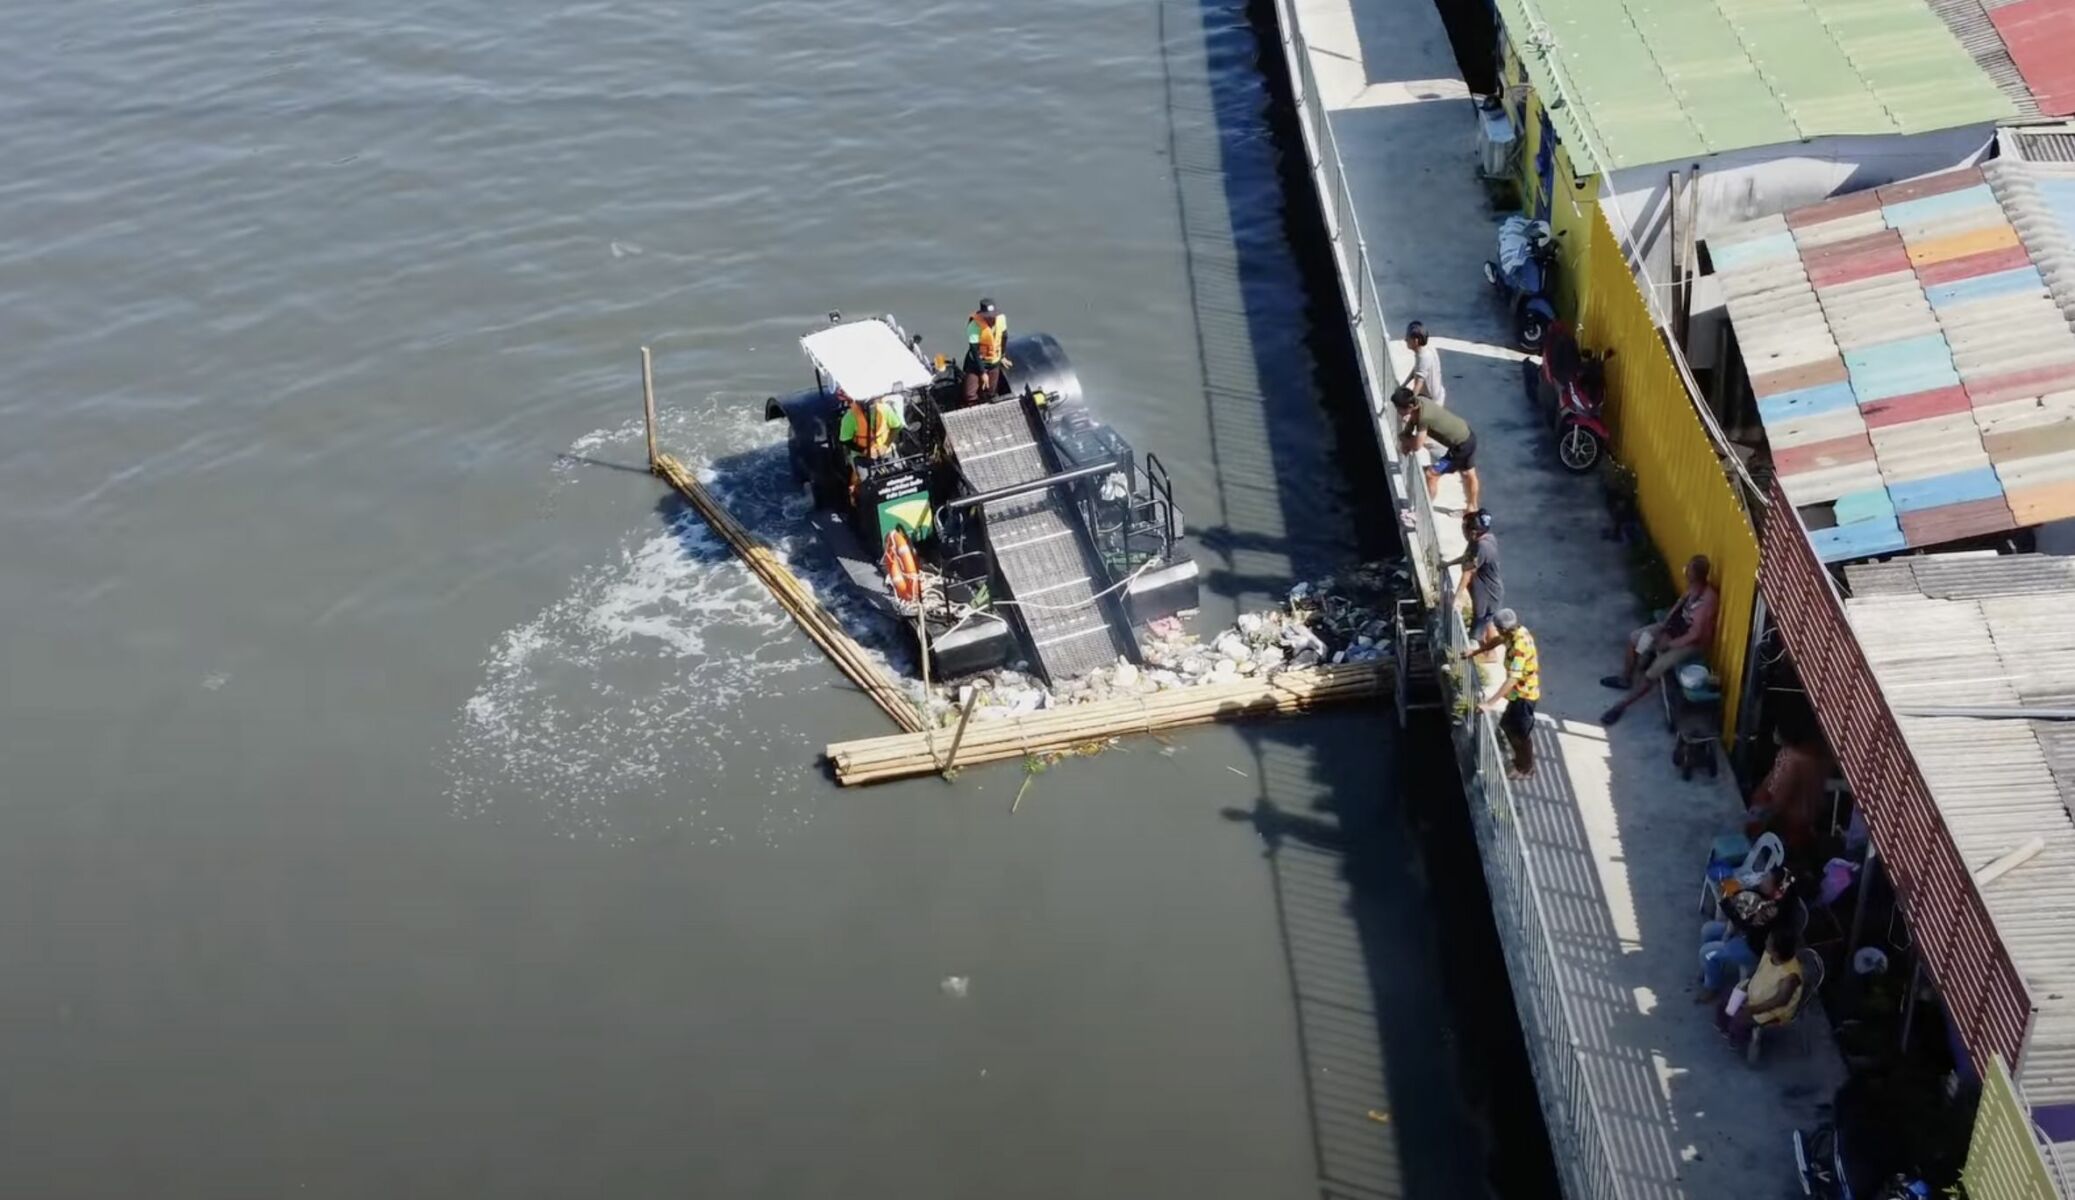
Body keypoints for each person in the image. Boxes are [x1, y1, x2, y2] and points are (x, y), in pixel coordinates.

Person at [1599, 554, 1717, 726]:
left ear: (1696, 575)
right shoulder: (1692, 588)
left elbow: (1695, 635)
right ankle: (1626, 678)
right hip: (1671, 631)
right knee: (1636, 640)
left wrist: (1669, 644)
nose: (1685, 572)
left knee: (1653, 672)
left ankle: (1620, 706)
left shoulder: (1707, 600)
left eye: (1688, 571)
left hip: (1689, 644)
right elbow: (1679, 605)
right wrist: (1664, 627)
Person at [1696, 867, 1794, 1004]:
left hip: (1752, 947)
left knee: (1706, 953)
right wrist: (1733, 892)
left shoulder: (1772, 911)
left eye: (1767, 880)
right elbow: (1742, 905)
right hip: (1744, 931)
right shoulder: (1765, 893)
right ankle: (1710, 970)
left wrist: (1726, 896)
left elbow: (1742, 920)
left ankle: (1712, 987)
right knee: (1708, 929)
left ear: (1777, 890)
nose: (1763, 880)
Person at [1463, 608, 1538, 778]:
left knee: (1521, 734)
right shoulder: (1514, 631)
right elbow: (1498, 640)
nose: (1496, 630)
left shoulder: (1520, 647)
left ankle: (1525, 768)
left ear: (1504, 628)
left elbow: (1512, 679)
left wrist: (1490, 703)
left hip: (1524, 696)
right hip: (1516, 695)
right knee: (1506, 725)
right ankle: (1521, 758)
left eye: (1497, 627)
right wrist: (1475, 652)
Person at [1391, 384, 1480, 512]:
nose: (1397, 411)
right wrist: (1407, 433)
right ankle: (1472, 507)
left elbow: (1417, 445)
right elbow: (1413, 420)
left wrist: (1404, 438)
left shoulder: (1424, 417)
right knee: (1468, 474)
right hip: (1467, 434)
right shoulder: (1420, 400)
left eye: (1398, 408)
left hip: (1461, 446)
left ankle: (1423, 511)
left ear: (1410, 407)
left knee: (1431, 474)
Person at [1746, 722, 1828, 858]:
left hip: (1788, 830)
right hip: (1808, 827)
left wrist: (1759, 819)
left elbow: (1777, 799)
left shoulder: (1790, 758)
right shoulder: (1820, 756)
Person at [1720, 928, 1806, 1045]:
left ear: (1776, 951)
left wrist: (1753, 1009)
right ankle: (1726, 1029)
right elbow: (1760, 971)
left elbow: (1780, 1001)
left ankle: (1738, 1041)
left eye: (1769, 941)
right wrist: (1748, 985)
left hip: (1772, 1010)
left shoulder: (1789, 976)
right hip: (1757, 993)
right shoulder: (1769, 954)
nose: (1766, 941)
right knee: (1726, 999)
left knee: (1739, 1020)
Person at [838, 392, 907, 501]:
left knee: (899, 476)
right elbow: (845, 440)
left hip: (886, 451)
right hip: (862, 457)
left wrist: (885, 445)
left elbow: (896, 427)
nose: (874, 404)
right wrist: (864, 450)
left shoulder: (885, 409)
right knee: (867, 484)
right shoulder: (850, 417)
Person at [1448, 509, 1501, 639]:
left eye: (1463, 528)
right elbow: (1467, 557)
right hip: (1481, 590)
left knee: (1481, 624)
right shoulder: (1477, 540)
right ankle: (1484, 650)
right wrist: (1448, 564)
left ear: (1472, 532)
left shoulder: (1483, 546)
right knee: (1485, 623)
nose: (1462, 532)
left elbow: (1468, 571)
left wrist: (1458, 597)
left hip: (1488, 593)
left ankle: (1485, 652)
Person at [961, 298, 1010, 406]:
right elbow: (974, 350)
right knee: (970, 394)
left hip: (993, 362)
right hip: (976, 363)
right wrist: (983, 372)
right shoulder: (974, 326)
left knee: (990, 392)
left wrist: (1002, 356)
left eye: (993, 315)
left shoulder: (1001, 319)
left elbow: (1004, 337)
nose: (991, 318)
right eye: (988, 316)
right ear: (983, 315)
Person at [1405, 320, 1447, 407]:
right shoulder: (1427, 349)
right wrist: (1404, 384)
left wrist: (1408, 406)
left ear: (1415, 341)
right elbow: (1417, 368)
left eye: (1408, 338)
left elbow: (1418, 386)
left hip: (1432, 403)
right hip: (1438, 394)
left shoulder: (1423, 357)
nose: (1405, 340)